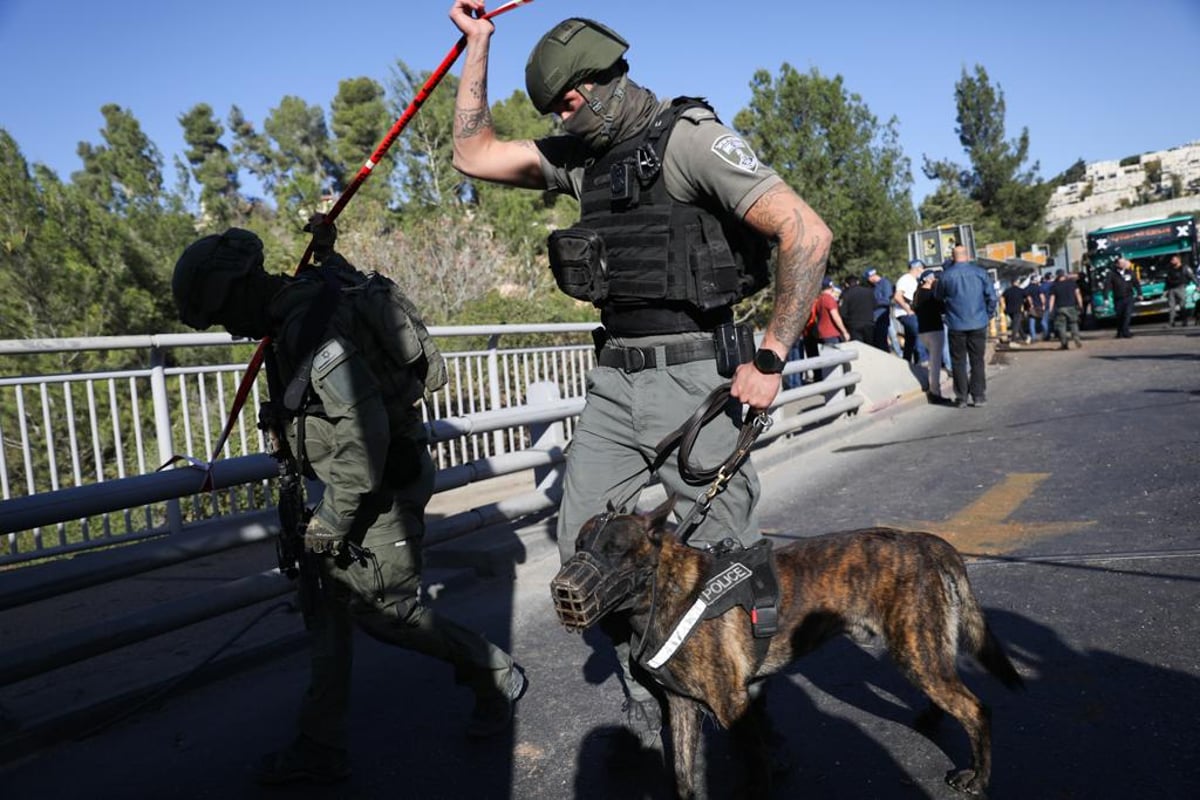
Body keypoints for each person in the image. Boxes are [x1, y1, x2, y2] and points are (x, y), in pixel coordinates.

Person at [448, 3, 831, 746]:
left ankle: (752, 729)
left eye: (568, 101)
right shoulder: (581, 155)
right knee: (586, 557)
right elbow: (475, 153)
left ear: (605, 80)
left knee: (726, 567)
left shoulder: (692, 140)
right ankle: (658, 697)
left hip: (701, 380)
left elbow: (804, 230)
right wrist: (478, 45)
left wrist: (774, 357)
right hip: (616, 383)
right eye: (555, 109)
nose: (564, 117)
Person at [171, 224, 526, 785]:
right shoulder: (295, 310)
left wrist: (333, 518)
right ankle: (320, 745)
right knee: (327, 610)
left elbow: (364, 429)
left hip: (377, 484)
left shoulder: (308, 330)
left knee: (389, 611)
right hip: (347, 483)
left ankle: (496, 673)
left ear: (238, 291)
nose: (230, 329)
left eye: (222, 314)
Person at [933, 245, 997, 408]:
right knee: (977, 360)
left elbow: (938, 299)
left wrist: (945, 315)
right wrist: (987, 315)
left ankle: (961, 397)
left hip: (956, 323)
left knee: (958, 361)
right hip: (978, 322)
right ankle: (979, 396)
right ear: (968, 256)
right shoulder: (980, 273)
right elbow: (992, 297)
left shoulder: (945, 276)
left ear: (953, 257)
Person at [913, 269, 948, 403]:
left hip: (923, 331)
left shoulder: (917, 294)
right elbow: (943, 308)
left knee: (930, 362)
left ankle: (933, 389)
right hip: (934, 330)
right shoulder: (932, 295)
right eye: (934, 278)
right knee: (935, 364)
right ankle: (935, 394)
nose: (936, 280)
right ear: (928, 279)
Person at [811, 276, 850, 380]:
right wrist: (844, 331)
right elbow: (835, 316)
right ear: (831, 286)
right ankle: (837, 384)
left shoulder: (819, 300)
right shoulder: (829, 299)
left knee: (828, 361)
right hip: (832, 333)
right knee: (835, 362)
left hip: (822, 333)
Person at [893, 259, 929, 363]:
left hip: (909, 313)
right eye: (922, 268)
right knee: (919, 333)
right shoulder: (905, 279)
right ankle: (923, 360)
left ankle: (907, 361)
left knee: (911, 338)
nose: (923, 271)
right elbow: (898, 296)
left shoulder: (913, 280)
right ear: (917, 268)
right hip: (906, 313)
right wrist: (908, 309)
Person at [1047, 270, 1084, 349]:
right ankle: (1077, 340)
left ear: (1057, 276)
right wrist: (1081, 304)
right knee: (1073, 324)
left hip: (1060, 308)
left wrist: (1050, 310)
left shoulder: (1054, 286)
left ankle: (1064, 344)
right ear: (1064, 275)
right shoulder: (1072, 283)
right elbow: (1078, 294)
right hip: (1071, 307)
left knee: (1061, 327)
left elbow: (1052, 299)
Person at [1108, 256, 1141, 339]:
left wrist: (1139, 293)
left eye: (1124, 263)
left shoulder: (1130, 272)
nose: (1123, 264)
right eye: (1120, 263)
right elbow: (1107, 285)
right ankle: (1119, 332)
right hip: (1118, 298)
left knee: (1127, 314)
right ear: (1117, 264)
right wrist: (1105, 297)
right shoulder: (1112, 274)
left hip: (1128, 297)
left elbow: (1136, 283)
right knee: (1119, 316)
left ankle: (1126, 331)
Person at [838, 274, 875, 344]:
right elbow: (875, 306)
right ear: (858, 282)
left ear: (846, 284)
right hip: (869, 323)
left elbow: (842, 312)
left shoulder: (845, 294)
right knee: (870, 346)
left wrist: (847, 322)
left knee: (858, 346)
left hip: (854, 324)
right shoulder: (869, 292)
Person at [864, 267, 895, 352]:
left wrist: (873, 302)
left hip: (882, 317)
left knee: (882, 342)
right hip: (875, 318)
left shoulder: (885, 283)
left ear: (871, 277)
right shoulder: (875, 287)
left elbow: (887, 300)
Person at [1163, 254, 1195, 327]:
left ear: (1178, 260)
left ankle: (1184, 321)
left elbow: (1192, 277)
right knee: (1171, 307)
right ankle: (1171, 323)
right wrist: (1165, 290)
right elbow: (1167, 280)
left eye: (1173, 260)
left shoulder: (1184, 268)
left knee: (1182, 306)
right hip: (1171, 289)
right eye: (1171, 260)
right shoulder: (1170, 268)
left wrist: (1198, 285)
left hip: (1181, 288)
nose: (1171, 261)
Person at [1001, 279, 1030, 347]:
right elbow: (1028, 298)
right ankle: (1013, 341)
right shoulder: (1021, 291)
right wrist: (1028, 307)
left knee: (1017, 324)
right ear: (1018, 283)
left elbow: (1001, 298)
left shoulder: (1007, 291)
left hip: (1009, 310)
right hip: (1018, 310)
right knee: (1016, 325)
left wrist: (1004, 307)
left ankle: (1025, 337)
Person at [1023, 272, 1045, 344]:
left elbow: (1028, 297)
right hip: (1039, 306)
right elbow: (1042, 297)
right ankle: (1045, 333)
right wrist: (1043, 304)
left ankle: (1033, 336)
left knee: (1032, 322)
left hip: (1031, 307)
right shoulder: (1039, 288)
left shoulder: (1027, 288)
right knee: (1042, 320)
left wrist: (1031, 305)